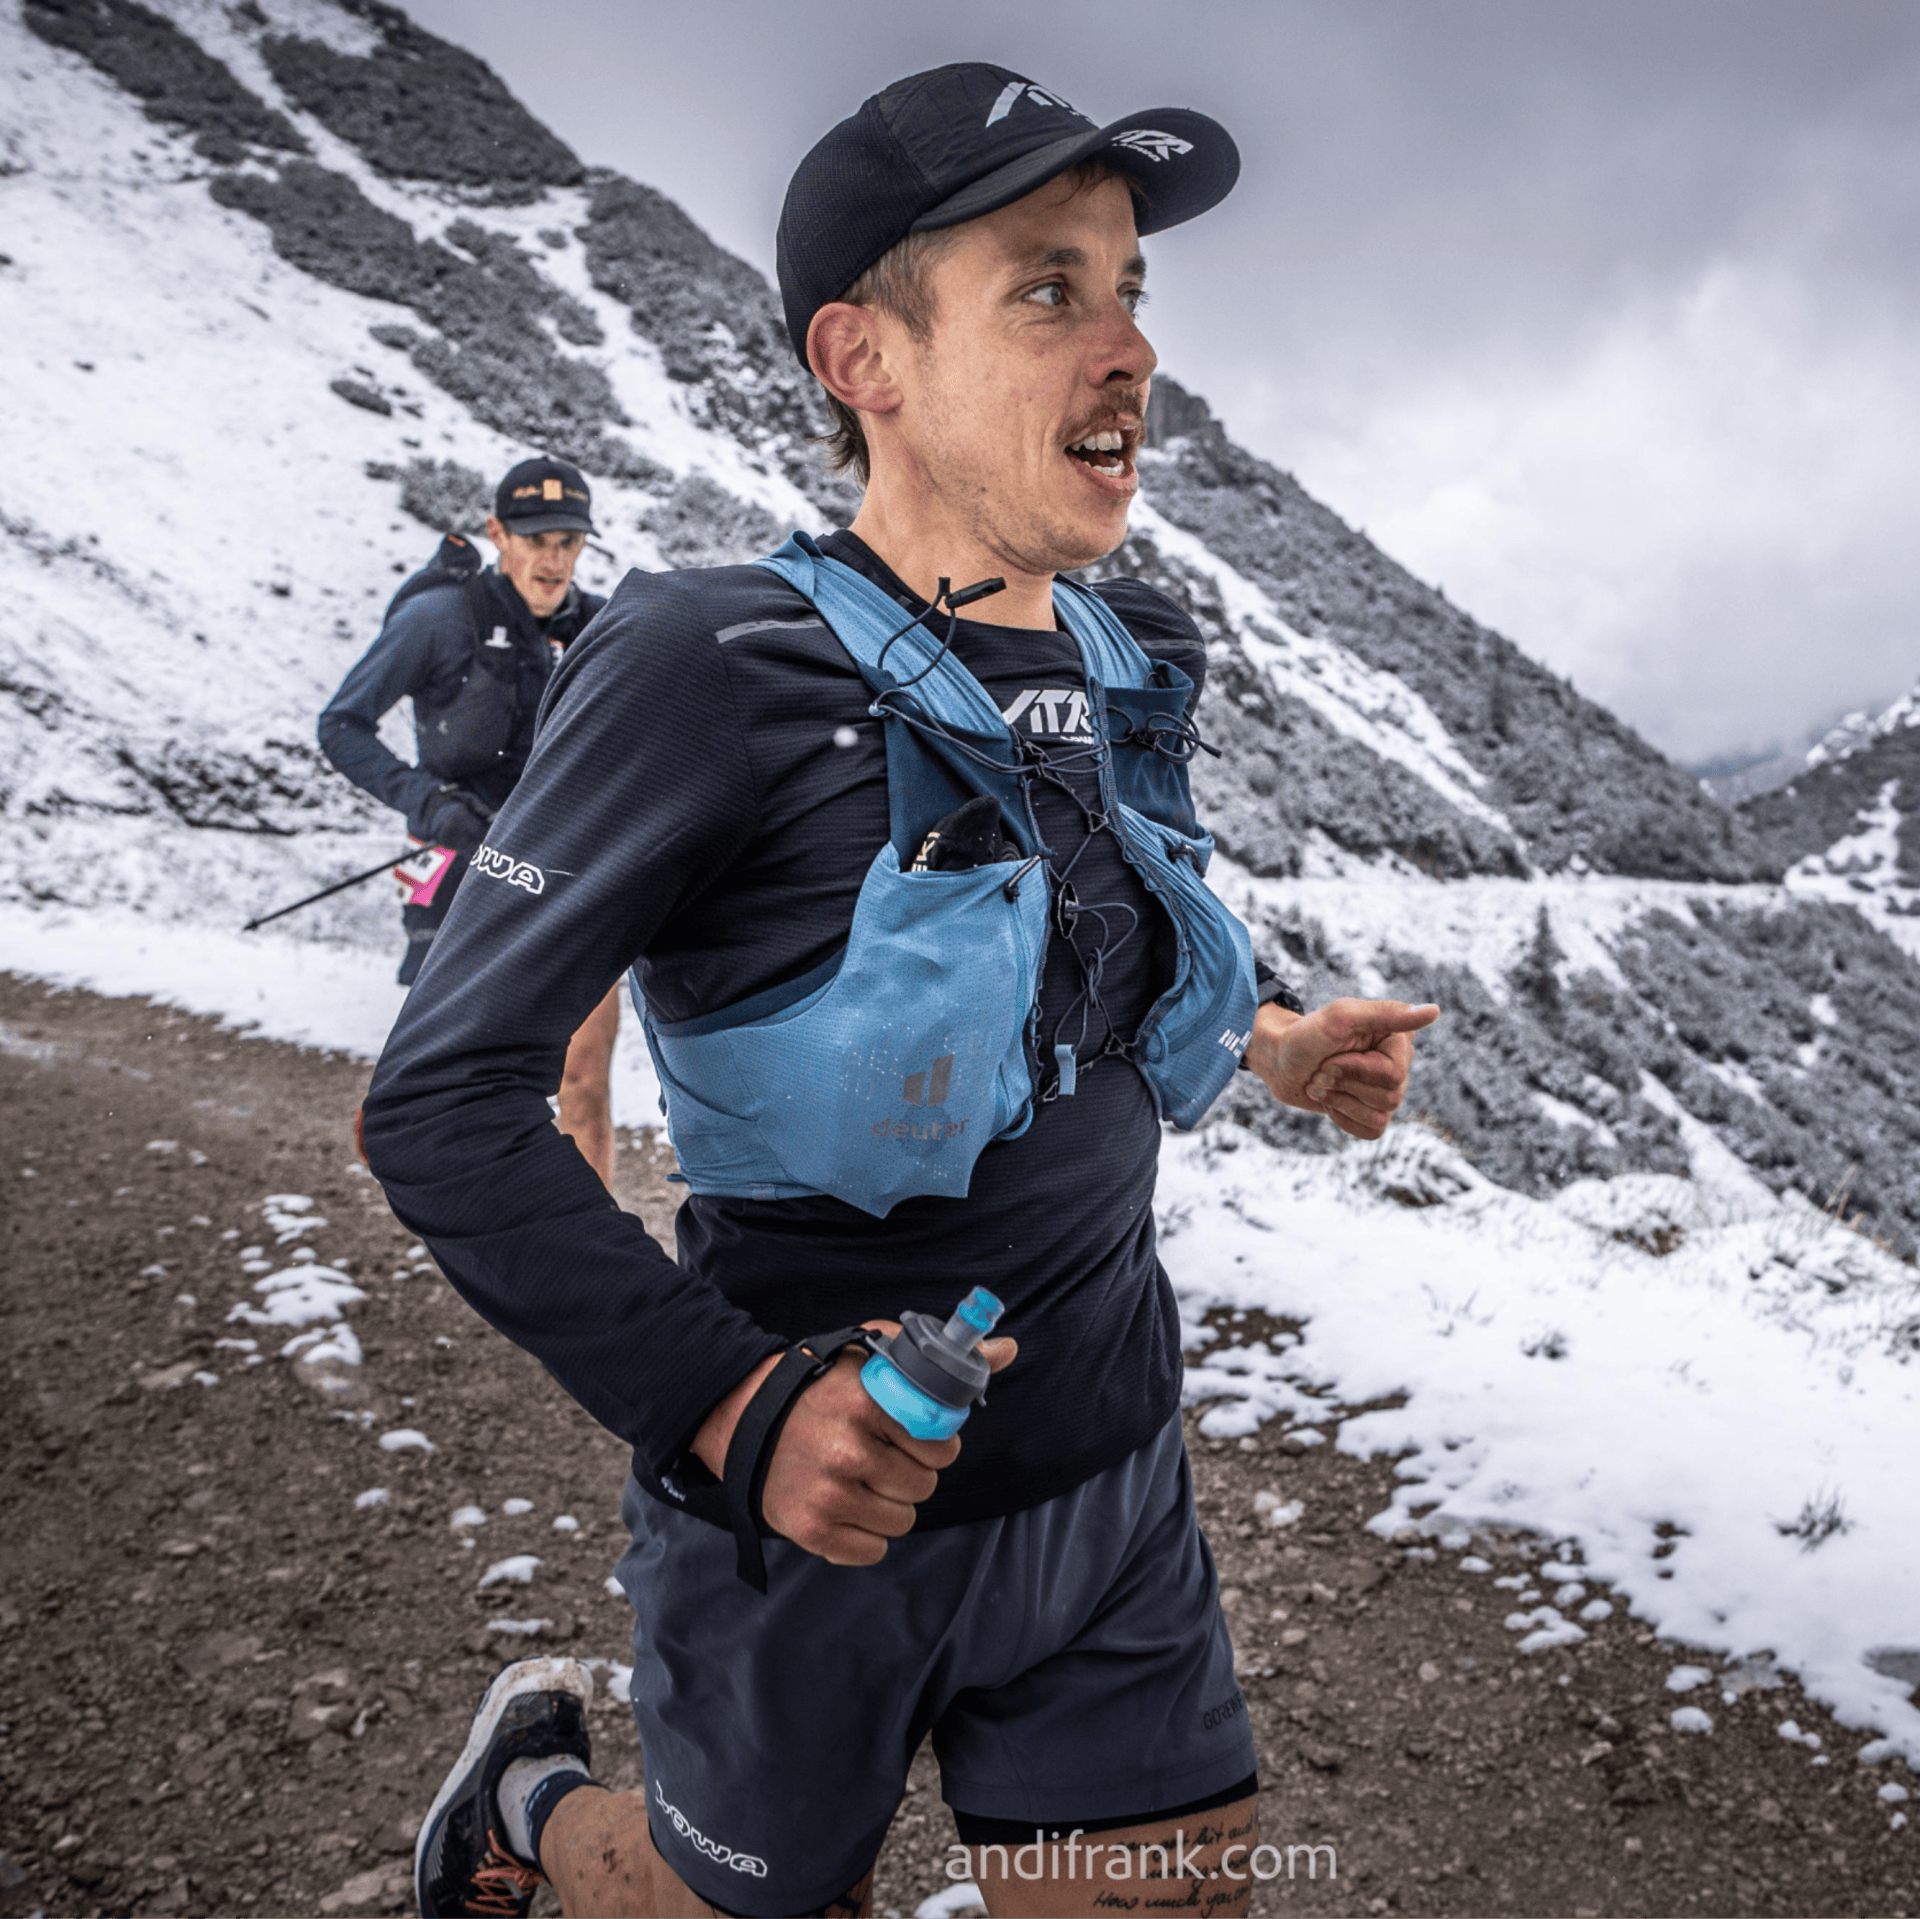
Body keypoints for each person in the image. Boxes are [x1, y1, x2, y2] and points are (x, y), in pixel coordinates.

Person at [366, 63, 1440, 1919]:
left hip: (1113, 1482)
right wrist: (737, 1407)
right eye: (1050, 290)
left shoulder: (1127, 648)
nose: (1128, 352)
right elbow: (441, 1096)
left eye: (1130, 293)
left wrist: (1270, 1043)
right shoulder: (714, 659)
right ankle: (528, 1812)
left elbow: (1086, 946)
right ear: (863, 356)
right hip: (810, 1525)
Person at [318, 456, 621, 1185]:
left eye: (570, 542)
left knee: (582, 1075)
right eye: (536, 537)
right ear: (497, 533)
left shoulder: (607, 626)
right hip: (459, 859)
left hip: (570, 867)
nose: (553, 559)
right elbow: (343, 725)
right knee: (452, 1076)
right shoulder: (438, 620)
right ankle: (455, 1195)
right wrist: (428, 803)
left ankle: (588, 1276)